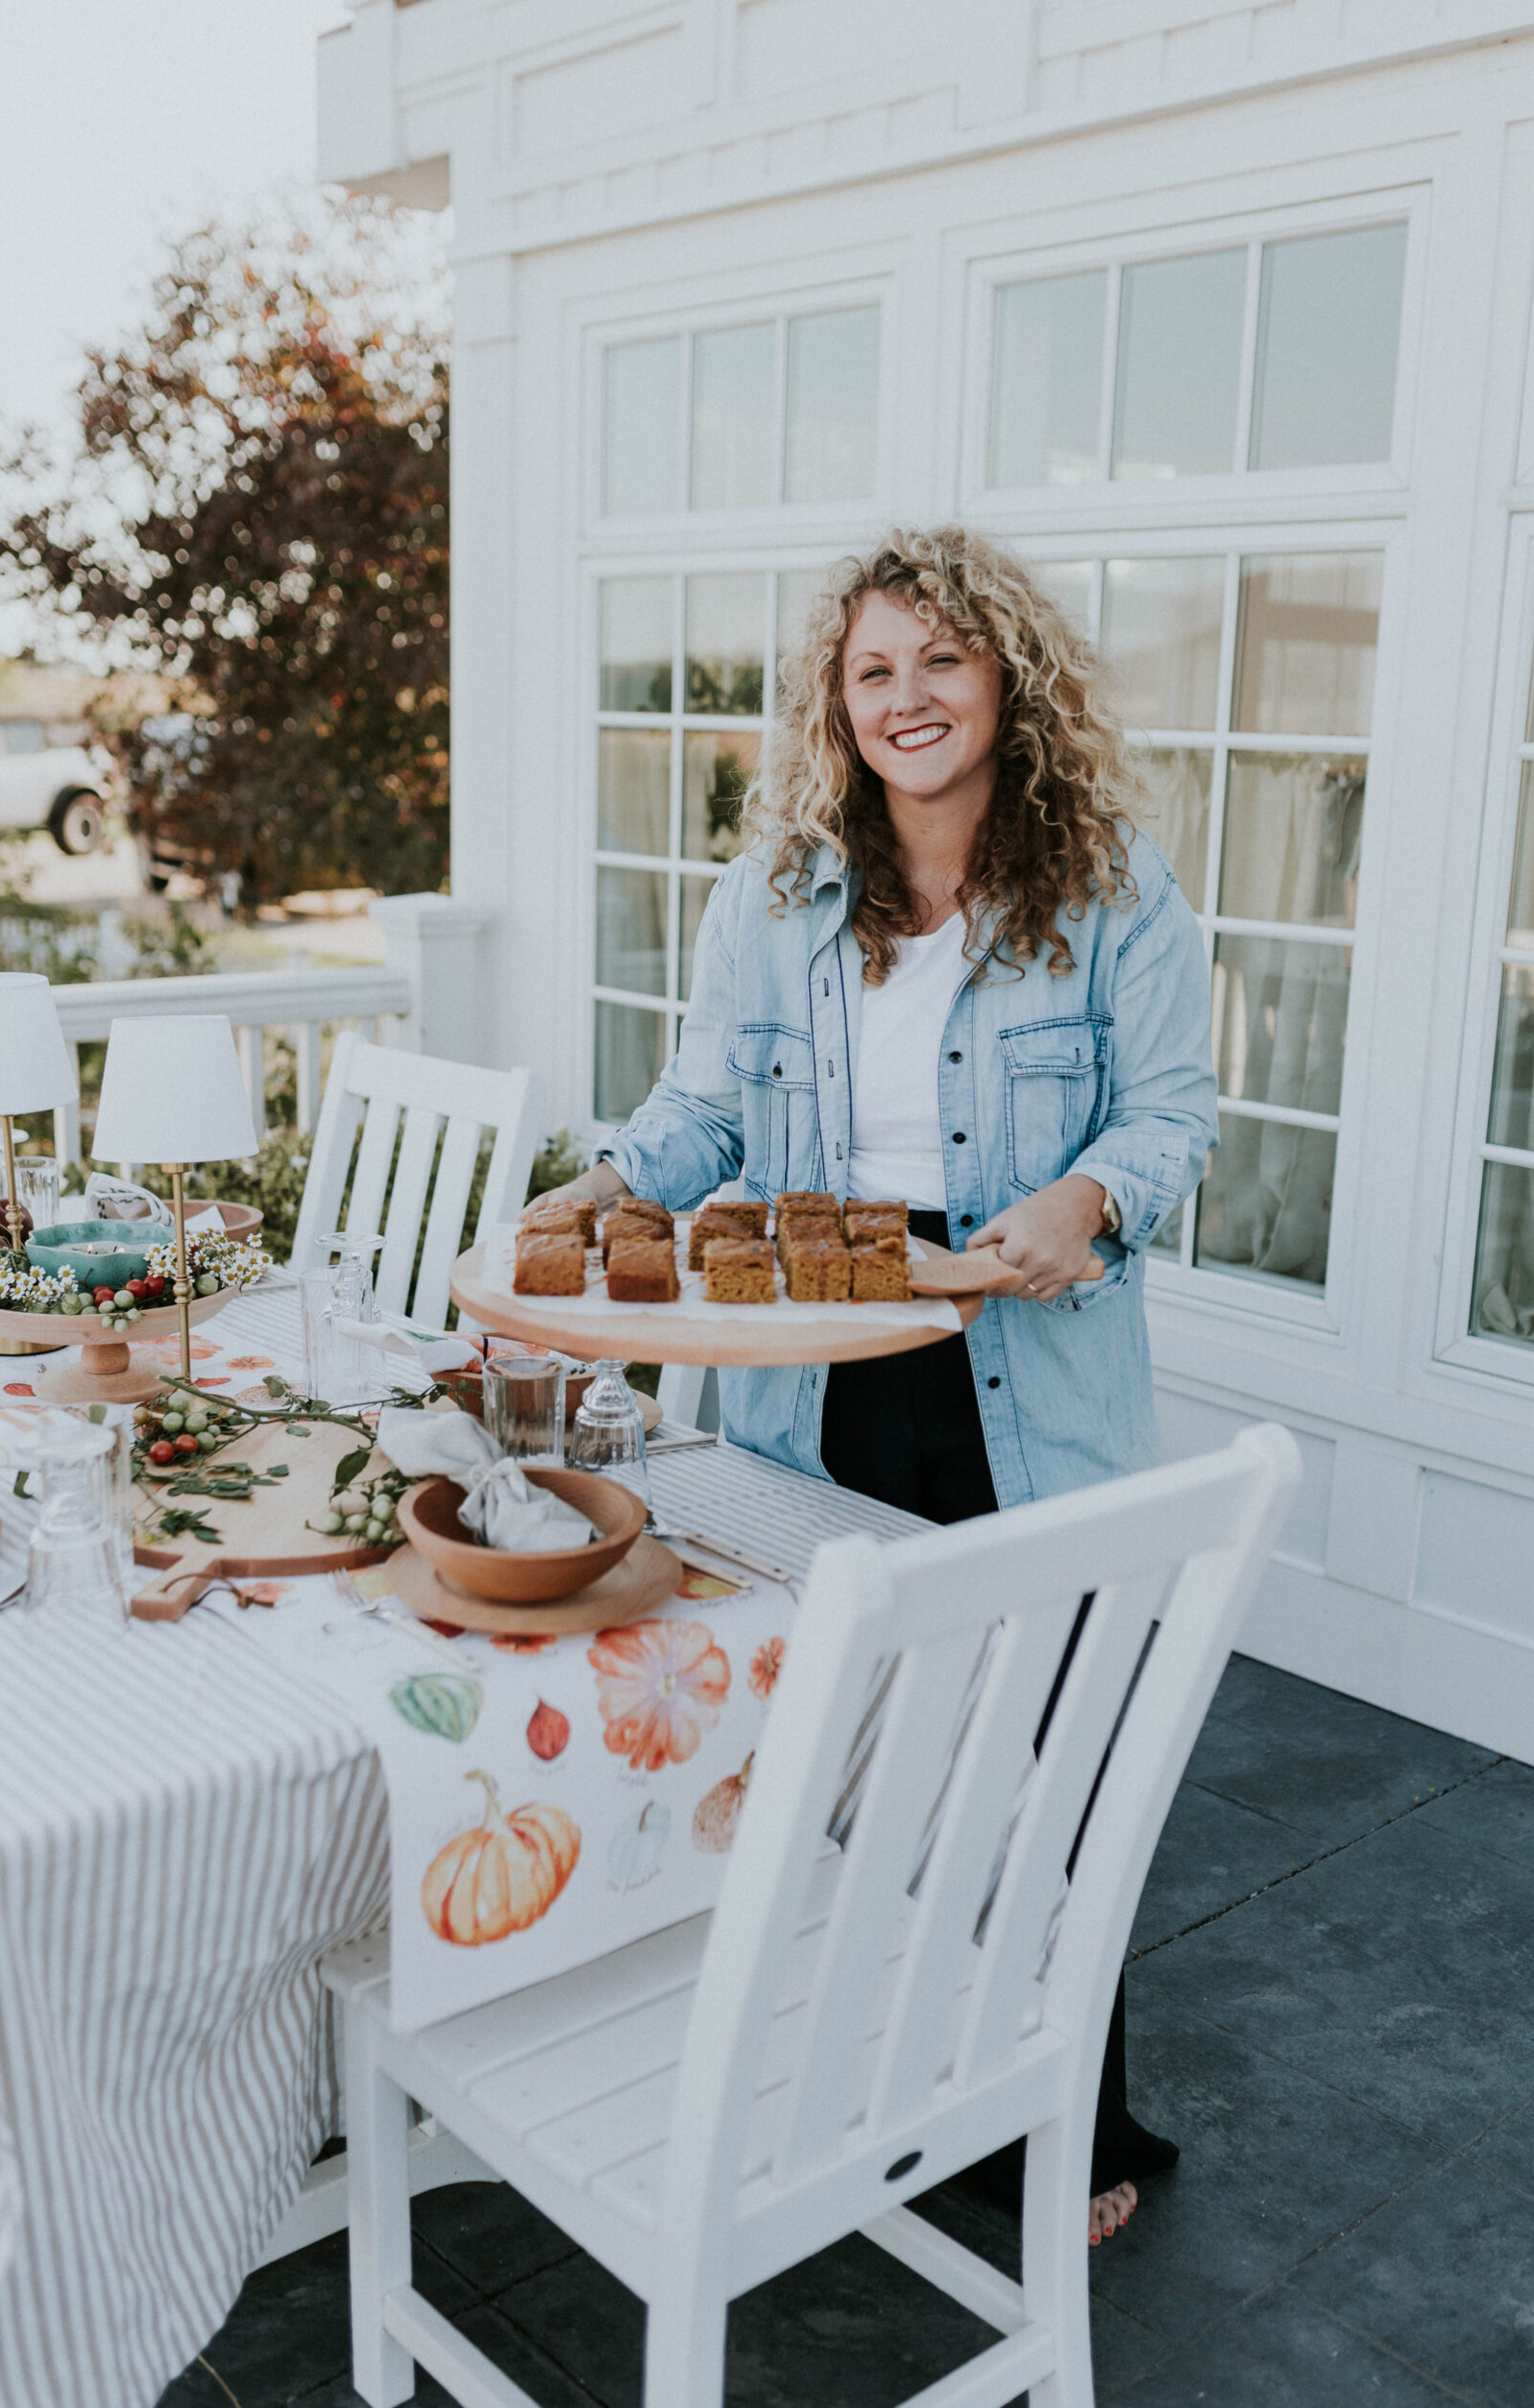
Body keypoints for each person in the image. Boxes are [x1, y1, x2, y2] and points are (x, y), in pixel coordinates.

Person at [539, 525, 1218, 2247]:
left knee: (1038, 1745)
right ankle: (862, 2065)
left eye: (939, 660)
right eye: (872, 672)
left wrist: (1088, 1198)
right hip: (818, 1353)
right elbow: (703, 1112)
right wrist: (617, 1176)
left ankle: (1066, 2120)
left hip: (1019, 1349)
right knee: (843, 1728)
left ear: (1006, 676)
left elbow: (1172, 1119)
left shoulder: (1113, 884)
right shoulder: (771, 896)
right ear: (834, 708)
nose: (907, 698)